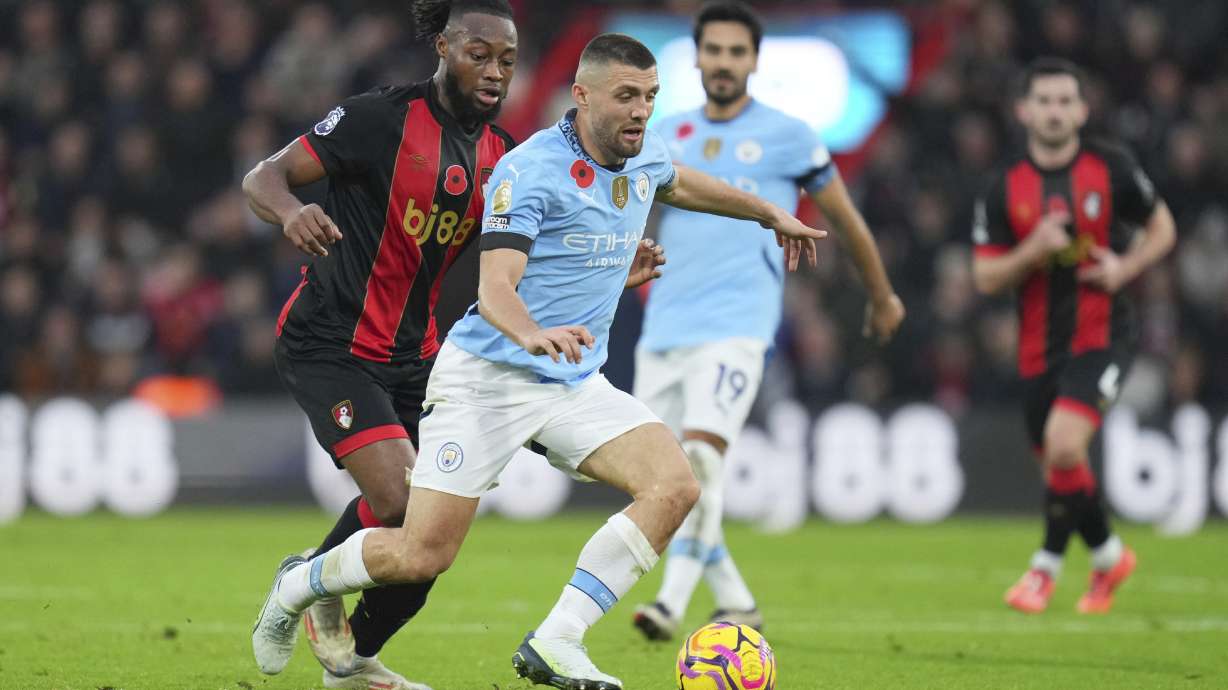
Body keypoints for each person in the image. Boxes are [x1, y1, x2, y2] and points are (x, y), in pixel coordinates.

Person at [251, 32, 824, 689]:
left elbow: (680, 182)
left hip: (572, 379)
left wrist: (765, 212)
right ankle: (302, 580)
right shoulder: (529, 169)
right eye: (627, 97)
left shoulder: (645, 155)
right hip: (488, 380)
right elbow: (496, 288)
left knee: (675, 485)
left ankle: (558, 640)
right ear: (582, 97)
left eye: (651, 98)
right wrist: (529, 333)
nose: (642, 111)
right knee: (421, 553)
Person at [241, 1, 648, 686]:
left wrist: (608, 267)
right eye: (478, 54)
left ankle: (351, 662)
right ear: (441, 47)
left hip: (416, 356)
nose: (494, 72)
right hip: (331, 341)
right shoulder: (379, 119)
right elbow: (264, 177)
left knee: (434, 536)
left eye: (507, 61)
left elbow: (520, 255)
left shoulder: (503, 157)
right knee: (404, 503)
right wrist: (293, 211)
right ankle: (304, 584)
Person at [630, 0, 905, 641]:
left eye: (736, 52)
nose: (724, 63)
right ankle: (737, 599)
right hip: (665, 325)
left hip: (738, 325)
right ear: (696, 57)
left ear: (754, 60)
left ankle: (670, 604)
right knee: (657, 480)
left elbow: (846, 219)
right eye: (714, 51)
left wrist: (882, 294)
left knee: (699, 459)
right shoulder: (666, 133)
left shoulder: (790, 135)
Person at [971, 57, 1175, 615]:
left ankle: (1045, 569)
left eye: (1066, 101)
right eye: (1045, 101)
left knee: (1064, 445)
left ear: (1083, 110)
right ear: (1024, 110)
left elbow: (1163, 227)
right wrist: (1032, 249)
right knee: (1062, 467)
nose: (1055, 111)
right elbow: (984, 275)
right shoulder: (1004, 187)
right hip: (1039, 348)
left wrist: (1125, 269)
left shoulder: (1110, 167)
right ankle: (1109, 558)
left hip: (1104, 331)